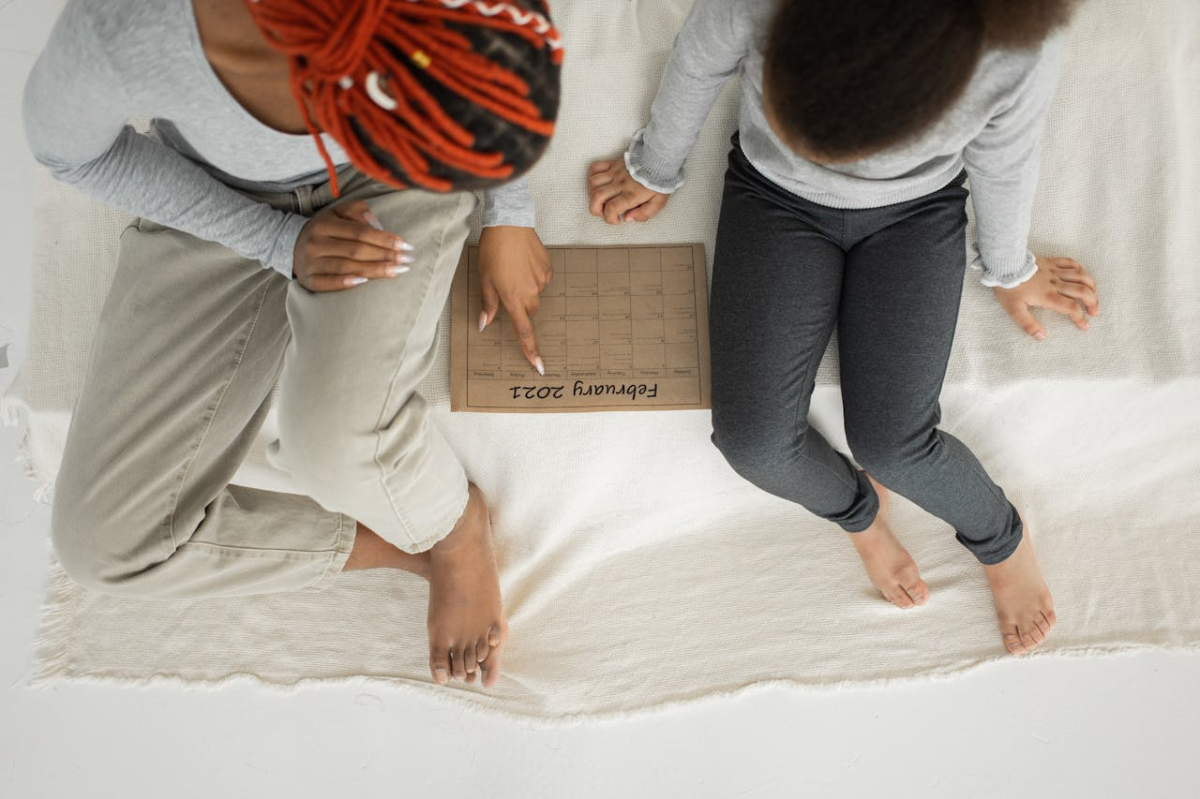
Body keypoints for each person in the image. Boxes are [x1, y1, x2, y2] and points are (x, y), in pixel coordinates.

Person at [23, 0, 564, 688]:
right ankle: (404, 548)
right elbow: (68, 150)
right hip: (217, 197)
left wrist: (508, 211)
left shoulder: (414, 68)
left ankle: (452, 527)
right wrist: (279, 243)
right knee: (104, 544)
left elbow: (492, 42)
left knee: (336, 446)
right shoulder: (122, 26)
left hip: (385, 186)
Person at [588, 0, 1100, 655]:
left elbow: (1007, 153)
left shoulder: (1010, 46)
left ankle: (1002, 539)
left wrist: (1007, 267)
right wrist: (655, 164)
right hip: (775, 195)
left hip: (915, 212)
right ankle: (860, 514)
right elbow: (700, 54)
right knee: (754, 443)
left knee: (895, 444)